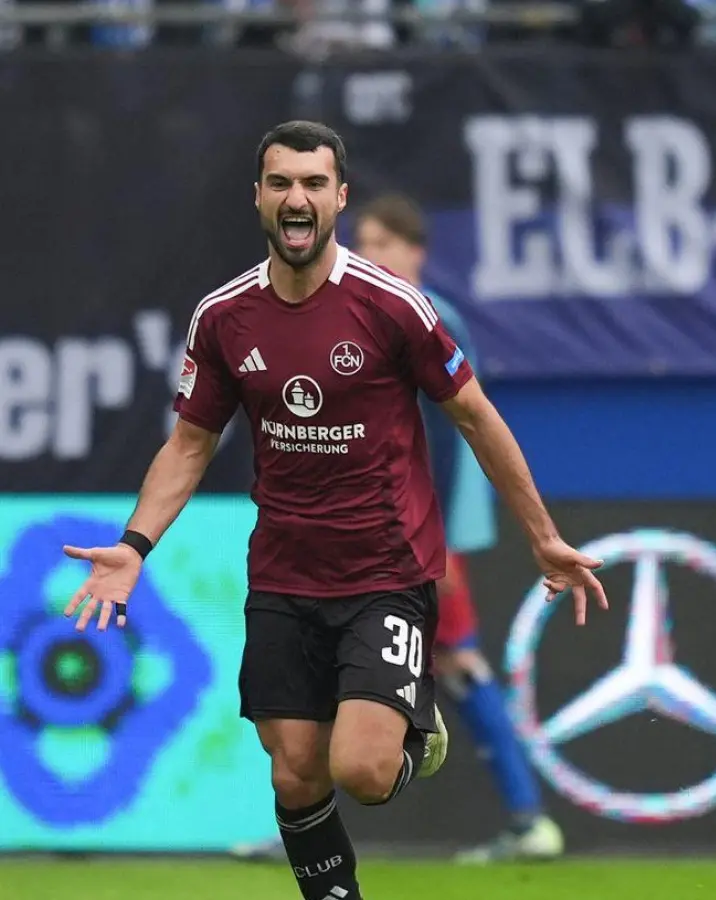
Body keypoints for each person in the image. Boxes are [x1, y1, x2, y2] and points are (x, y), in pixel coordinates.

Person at [61, 120, 606, 900]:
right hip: (284, 574)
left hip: (385, 568)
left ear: (338, 199)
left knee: (363, 770)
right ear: (258, 199)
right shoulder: (224, 317)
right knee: (294, 770)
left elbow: (476, 417)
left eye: (314, 184)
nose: (297, 198)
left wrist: (543, 539)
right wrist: (134, 545)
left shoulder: (393, 308)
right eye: (281, 182)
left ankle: (412, 732)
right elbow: (189, 445)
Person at [352, 191, 564, 862]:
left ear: (417, 252)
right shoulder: (376, 317)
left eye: (386, 244)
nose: (372, 255)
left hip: (419, 534)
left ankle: (529, 819)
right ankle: (527, 819)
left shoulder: (428, 319)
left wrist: (432, 541)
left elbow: (448, 436)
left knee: (453, 661)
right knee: (442, 661)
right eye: (365, 242)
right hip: (393, 530)